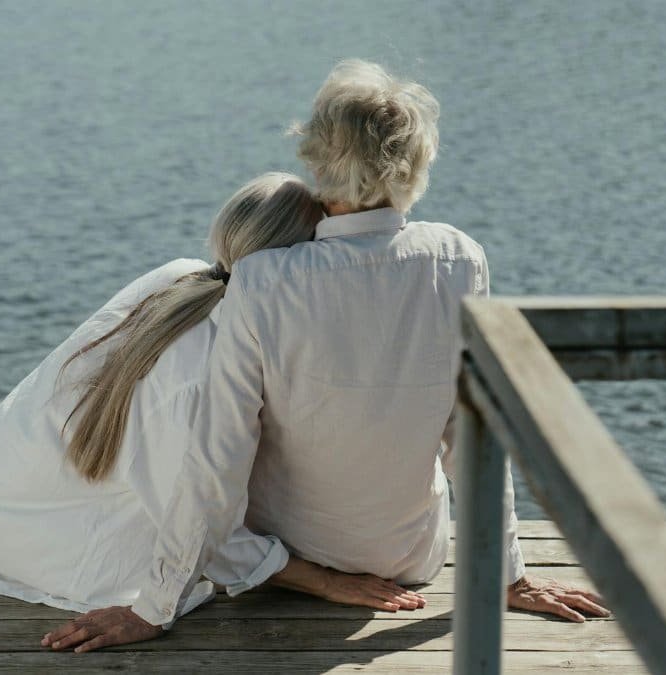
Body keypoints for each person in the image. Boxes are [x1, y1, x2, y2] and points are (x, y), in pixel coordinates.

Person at [43, 60, 610, 653]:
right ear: (418, 163)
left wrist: (154, 608)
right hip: (409, 556)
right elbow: (472, 431)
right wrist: (507, 573)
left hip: (288, 552)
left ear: (316, 161)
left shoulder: (264, 280)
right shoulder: (461, 260)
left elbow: (217, 460)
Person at [0, 172, 427, 625]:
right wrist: (326, 581)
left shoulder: (182, 277)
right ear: (288, 265)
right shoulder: (208, 368)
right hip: (38, 547)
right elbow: (208, 534)